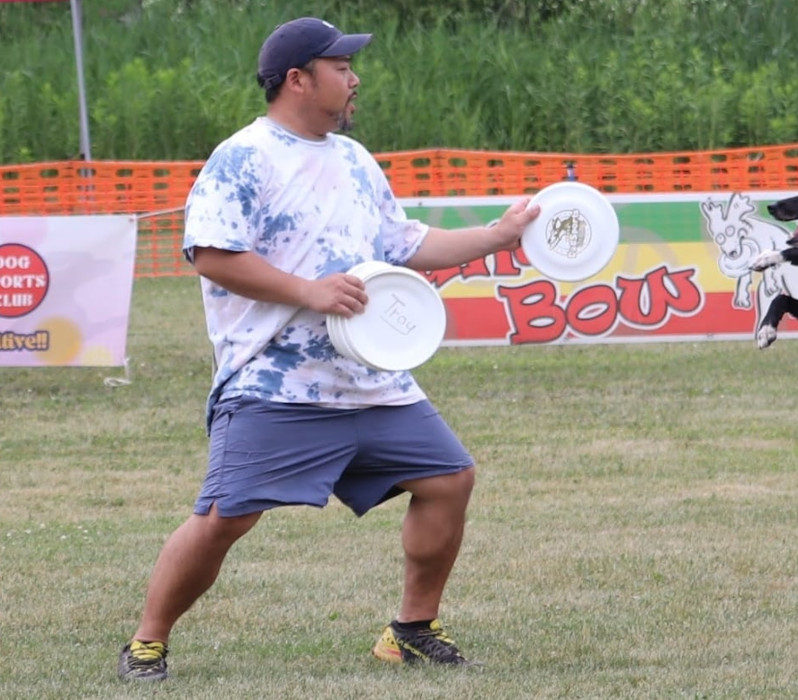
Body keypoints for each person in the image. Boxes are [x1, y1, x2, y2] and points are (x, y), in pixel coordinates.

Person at [117, 17, 540, 682]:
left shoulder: (355, 159)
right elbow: (212, 255)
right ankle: (147, 642)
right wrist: (308, 292)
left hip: (370, 377)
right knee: (225, 518)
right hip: (275, 382)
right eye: (341, 68)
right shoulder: (244, 157)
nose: (354, 79)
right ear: (298, 79)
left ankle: (412, 630)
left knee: (448, 479)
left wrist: (496, 235)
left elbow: (405, 243)